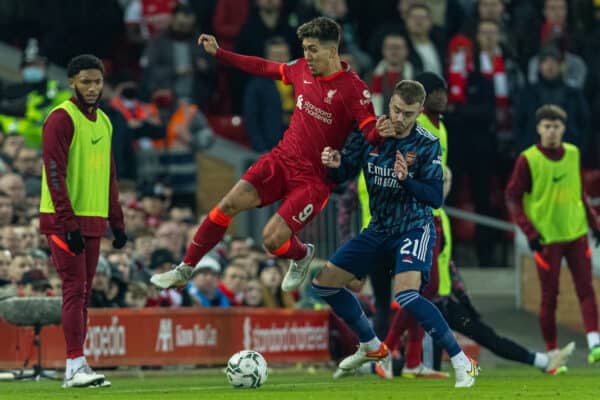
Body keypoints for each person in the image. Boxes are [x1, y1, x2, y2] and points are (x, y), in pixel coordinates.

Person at [151, 17, 392, 292]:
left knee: (271, 240)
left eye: (313, 49)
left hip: (313, 179)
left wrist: (381, 131)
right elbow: (263, 66)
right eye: (305, 48)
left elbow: (369, 133)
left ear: (332, 51)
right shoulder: (301, 69)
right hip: (280, 159)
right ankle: (185, 268)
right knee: (228, 205)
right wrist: (220, 54)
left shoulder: (354, 88)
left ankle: (301, 254)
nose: (307, 55)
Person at [314, 80, 478, 388]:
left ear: (419, 112)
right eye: (397, 110)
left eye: (408, 113)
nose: (400, 118)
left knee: (406, 295)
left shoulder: (427, 143)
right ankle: (370, 345)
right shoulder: (370, 133)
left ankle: (461, 361)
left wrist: (406, 180)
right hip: (378, 228)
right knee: (324, 284)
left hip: (413, 227)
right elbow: (344, 172)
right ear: (389, 104)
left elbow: (434, 198)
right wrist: (334, 166)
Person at [375, 167, 575, 380]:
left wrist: (464, 299)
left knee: (485, 335)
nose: (444, 184)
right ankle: (383, 357)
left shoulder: (440, 215)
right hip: (427, 301)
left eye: (447, 180)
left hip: (443, 301)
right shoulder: (420, 215)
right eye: (439, 180)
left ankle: (543, 362)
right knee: (423, 362)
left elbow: (448, 264)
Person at [39, 54, 127, 388]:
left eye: (98, 81)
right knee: (74, 289)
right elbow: (53, 174)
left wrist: (117, 222)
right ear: (71, 82)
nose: (92, 88)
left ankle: (78, 363)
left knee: (85, 292)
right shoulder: (61, 118)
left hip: (93, 221)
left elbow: (110, 176)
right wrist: (68, 222)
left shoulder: (104, 121)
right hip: (65, 222)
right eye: (85, 82)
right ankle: (74, 364)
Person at [506, 104, 600, 363]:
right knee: (550, 296)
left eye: (556, 126)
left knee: (586, 288)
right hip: (547, 239)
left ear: (563, 128)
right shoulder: (528, 159)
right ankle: (552, 352)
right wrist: (530, 233)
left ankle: (595, 343)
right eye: (547, 126)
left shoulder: (573, 153)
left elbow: (580, 191)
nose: (551, 131)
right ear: (538, 128)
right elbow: (512, 197)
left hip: (576, 232)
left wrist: (594, 223)